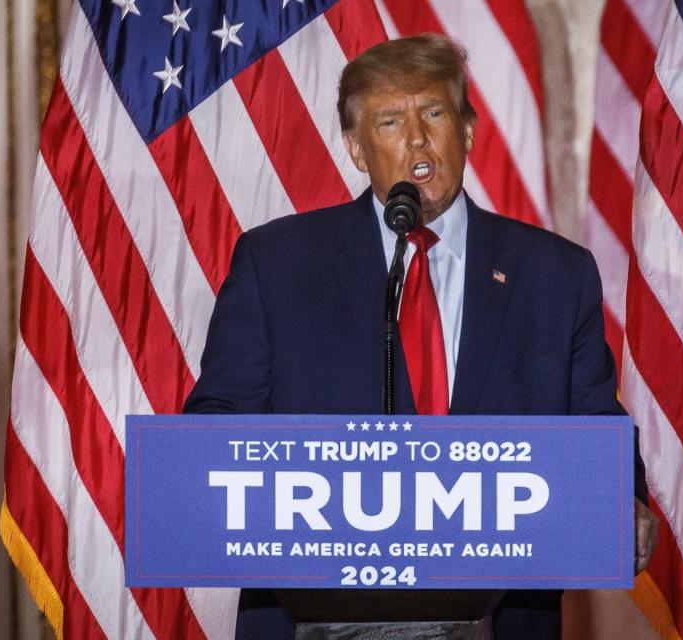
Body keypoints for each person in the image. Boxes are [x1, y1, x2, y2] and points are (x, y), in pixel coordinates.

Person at [184, 33, 658, 640]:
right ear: (357, 149)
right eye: (390, 120)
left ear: (466, 131)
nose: (416, 138)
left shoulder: (553, 273)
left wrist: (624, 501)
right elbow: (220, 430)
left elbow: (592, 419)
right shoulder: (277, 266)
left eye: (434, 113)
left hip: (500, 619)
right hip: (315, 620)